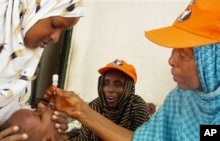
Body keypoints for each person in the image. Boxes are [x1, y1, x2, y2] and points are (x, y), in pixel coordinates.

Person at [47, 0, 220, 140]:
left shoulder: (137, 107)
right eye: (173, 50)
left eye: (183, 54)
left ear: (214, 60)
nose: (171, 61)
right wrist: (81, 111)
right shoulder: (180, 99)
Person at [0, 0, 84, 141]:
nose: (56, 38)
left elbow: (12, 120)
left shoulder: (20, 59)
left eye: (63, 31)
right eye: (54, 25)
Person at [67, 59, 149, 141]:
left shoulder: (137, 108)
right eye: (106, 83)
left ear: (129, 88)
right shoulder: (94, 107)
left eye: (118, 84)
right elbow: (84, 139)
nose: (110, 89)